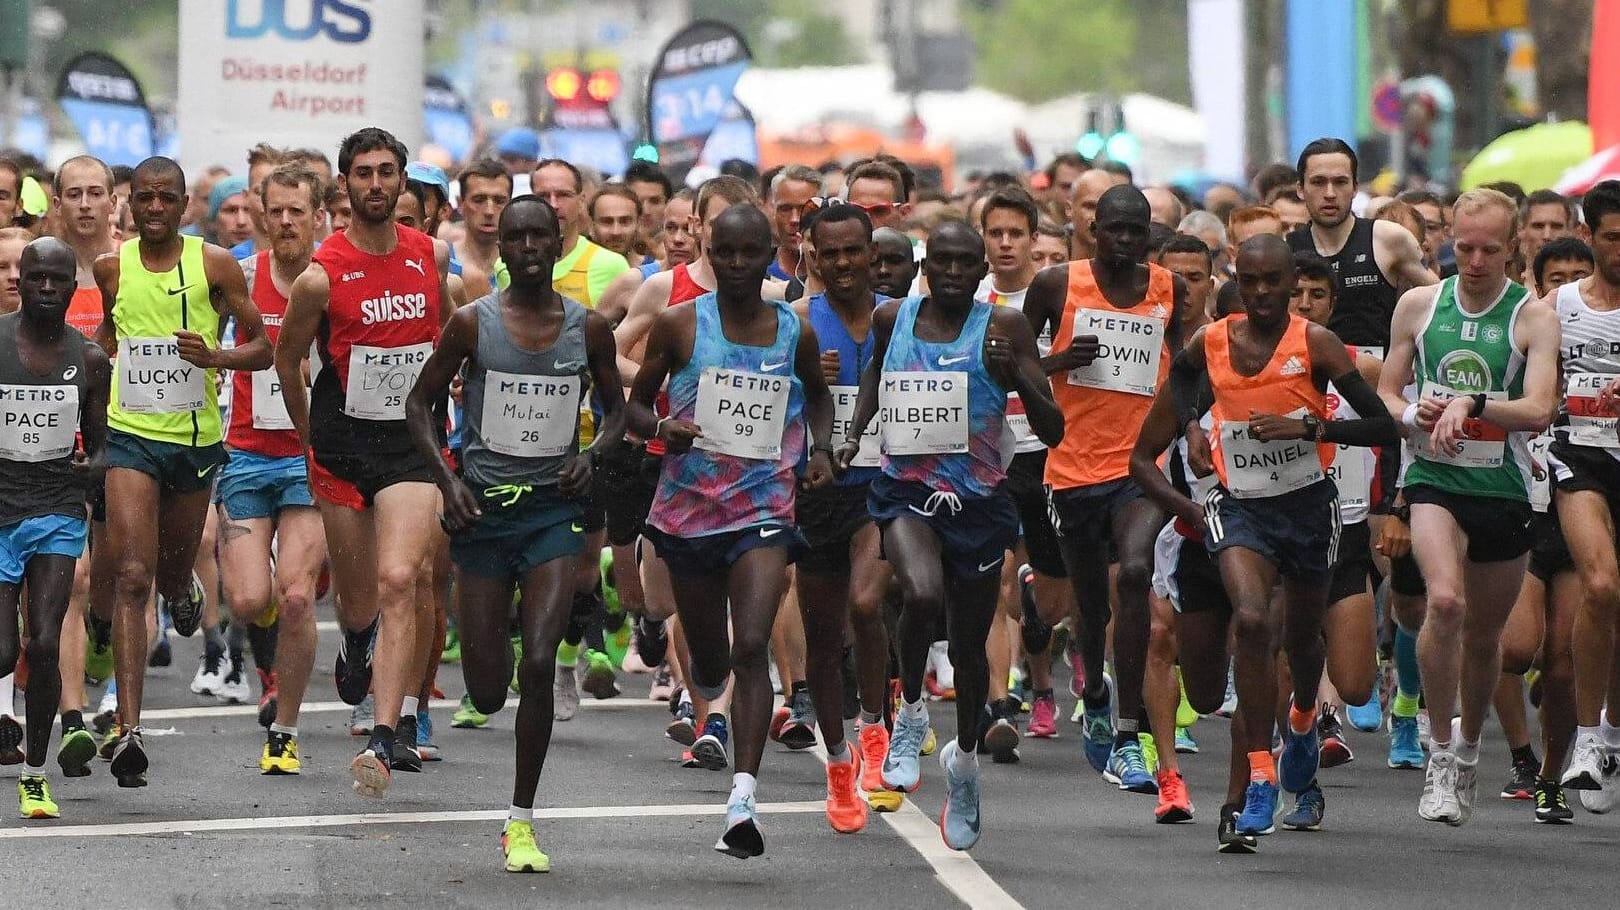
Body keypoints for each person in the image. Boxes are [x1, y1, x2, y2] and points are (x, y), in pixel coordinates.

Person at [1136, 233, 1398, 848]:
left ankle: (1303, 720)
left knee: (1304, 643)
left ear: (1289, 283)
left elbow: (1383, 425)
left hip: (1308, 509)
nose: (1260, 293)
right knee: (1253, 622)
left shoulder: (1317, 344)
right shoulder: (1214, 340)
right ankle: (1259, 773)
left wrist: (1314, 425)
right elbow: (1179, 383)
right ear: (1238, 279)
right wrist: (1195, 429)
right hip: (1240, 509)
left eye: (1271, 282)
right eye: (1248, 281)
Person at [407, 194, 624, 872]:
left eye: (541, 236)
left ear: (559, 243)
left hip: (552, 512)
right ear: (501, 247)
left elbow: (617, 411)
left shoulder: (588, 331)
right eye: (516, 237)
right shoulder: (473, 325)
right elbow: (419, 402)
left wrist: (592, 456)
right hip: (482, 514)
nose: (529, 247)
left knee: (537, 662)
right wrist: (449, 482)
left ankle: (521, 820)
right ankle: (497, 611)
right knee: (487, 690)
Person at [840, 220, 1062, 851]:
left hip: (980, 500)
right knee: (919, 592)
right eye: (945, 261)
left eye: (970, 262)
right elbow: (876, 383)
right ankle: (909, 709)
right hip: (905, 490)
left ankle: (963, 763)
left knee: (968, 651)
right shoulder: (892, 319)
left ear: (983, 266)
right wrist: (857, 432)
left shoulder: (1005, 327)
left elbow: (1054, 430)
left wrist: (1016, 375)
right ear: (923, 266)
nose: (957, 273)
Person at [626, 204, 835, 857]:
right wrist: (663, 429)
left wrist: (822, 449)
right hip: (688, 515)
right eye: (728, 254)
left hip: (764, 509)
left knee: (751, 645)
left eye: (752, 253)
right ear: (711, 253)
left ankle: (743, 798)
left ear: (770, 252)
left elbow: (818, 397)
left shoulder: (789, 331)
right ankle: (700, 681)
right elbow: (634, 402)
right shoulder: (680, 324)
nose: (740, 266)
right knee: (712, 661)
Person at [276, 127, 453, 797]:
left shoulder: (429, 257)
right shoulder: (321, 276)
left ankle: (387, 732)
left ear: (402, 182)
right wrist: (305, 435)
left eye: (386, 173)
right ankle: (356, 642)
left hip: (410, 447)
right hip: (343, 445)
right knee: (358, 603)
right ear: (343, 186)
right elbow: (288, 357)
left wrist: (450, 377)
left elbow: (449, 330)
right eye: (363, 174)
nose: (376, 184)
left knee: (403, 577)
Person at [1377, 188, 1558, 826]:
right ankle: (1438, 748)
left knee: (1486, 638)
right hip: (1434, 477)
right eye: (1463, 246)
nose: (1474, 260)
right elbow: (1387, 389)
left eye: (1488, 248)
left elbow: (1539, 409)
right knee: (1445, 601)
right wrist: (1412, 411)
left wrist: (1474, 404)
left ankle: (1471, 749)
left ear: (1512, 248)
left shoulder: (1532, 316)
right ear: (1446, 240)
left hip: (1504, 489)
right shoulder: (1419, 306)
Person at [91, 156, 272, 787]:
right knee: (131, 574)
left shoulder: (213, 265)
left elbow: (263, 346)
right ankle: (128, 730)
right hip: (130, 437)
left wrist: (215, 354)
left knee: (168, 573)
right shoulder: (111, 268)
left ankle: (186, 590)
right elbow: (110, 341)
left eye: (168, 198)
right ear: (130, 204)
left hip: (193, 443)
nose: (156, 208)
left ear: (183, 206)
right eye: (145, 198)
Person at [1022, 185, 1190, 816]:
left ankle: (1127, 731)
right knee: (1091, 609)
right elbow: (1016, 364)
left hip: (1139, 468)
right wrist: (1063, 359)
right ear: (1093, 230)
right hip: (1070, 468)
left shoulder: (1168, 290)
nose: (1125, 241)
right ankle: (1092, 690)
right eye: (1115, 229)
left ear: (1149, 235)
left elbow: (1192, 366)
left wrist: (1192, 428)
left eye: (1137, 231)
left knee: (1138, 572)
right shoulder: (1056, 285)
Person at [217, 163, 329, 774]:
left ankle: (284, 729)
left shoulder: (333, 278)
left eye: (297, 211)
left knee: (294, 598)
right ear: (261, 214)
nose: (285, 220)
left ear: (319, 216)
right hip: (244, 453)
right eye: (276, 210)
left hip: (307, 459)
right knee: (246, 597)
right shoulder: (238, 275)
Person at [789, 203, 894, 828]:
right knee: (823, 641)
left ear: (871, 250)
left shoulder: (897, 318)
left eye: (853, 250)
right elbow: (762, 403)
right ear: (813, 256)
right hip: (817, 490)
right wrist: (806, 382)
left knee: (865, 603)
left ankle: (875, 730)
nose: (843, 263)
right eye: (829, 254)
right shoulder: (799, 322)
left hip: (881, 488)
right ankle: (838, 766)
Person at [0, 237, 111, 817]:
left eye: (57, 280)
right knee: (1, 652)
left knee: (44, 642)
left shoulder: (89, 359)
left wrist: (89, 469)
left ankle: (35, 773)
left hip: (55, 514)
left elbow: (102, 447)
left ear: (73, 288)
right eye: (35, 277)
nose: (46, 288)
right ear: (20, 281)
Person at [1549, 183, 1620, 803]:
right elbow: (1534, 384)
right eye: (1613, 238)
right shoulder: (1559, 306)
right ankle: (1588, 734)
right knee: (1600, 585)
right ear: (1589, 234)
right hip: (1580, 457)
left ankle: (1613, 738)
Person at [1286, 138, 1436, 355]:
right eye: (1318, 182)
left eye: (1340, 182)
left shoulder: (1388, 238)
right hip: (1308, 378)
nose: (1329, 193)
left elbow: (1440, 302)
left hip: (1375, 381)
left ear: (1355, 187)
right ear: (1300, 189)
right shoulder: (1286, 248)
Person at [767, 165, 823, 282]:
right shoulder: (758, 274)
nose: (795, 219)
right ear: (774, 211)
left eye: (805, 209)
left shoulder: (837, 275)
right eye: (785, 209)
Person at [588, 184, 642, 262]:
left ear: (638, 223)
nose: (615, 232)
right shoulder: (576, 271)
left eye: (625, 221)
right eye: (606, 222)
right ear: (591, 225)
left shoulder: (657, 271)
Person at [871, 227, 919, 300]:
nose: (883, 271)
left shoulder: (927, 310)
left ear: (914, 269)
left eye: (895, 261)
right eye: (873, 262)